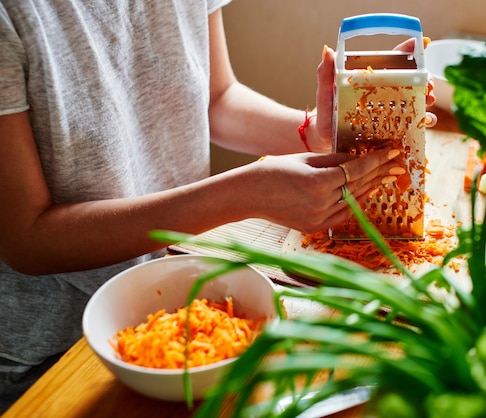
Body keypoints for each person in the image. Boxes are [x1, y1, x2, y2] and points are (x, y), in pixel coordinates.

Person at [0, 1, 436, 411]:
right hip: (56, 351)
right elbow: (25, 238)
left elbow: (217, 99)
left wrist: (318, 132)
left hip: (194, 291)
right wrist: (242, 195)